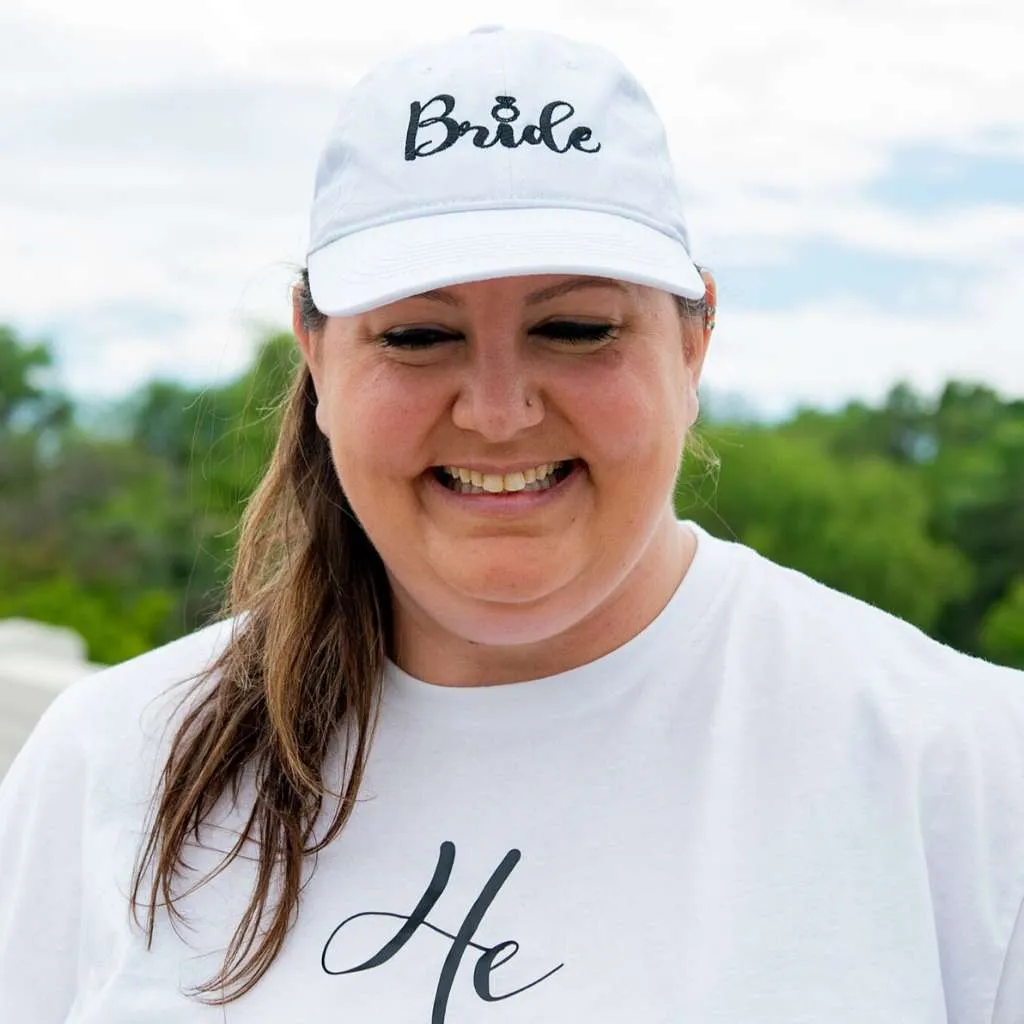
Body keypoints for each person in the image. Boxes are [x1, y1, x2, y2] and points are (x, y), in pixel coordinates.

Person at [1, 24, 1022, 1024]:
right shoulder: (112, 765)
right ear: (314, 357)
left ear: (694, 341)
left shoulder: (967, 773)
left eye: (574, 328)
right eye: (417, 334)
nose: (496, 410)